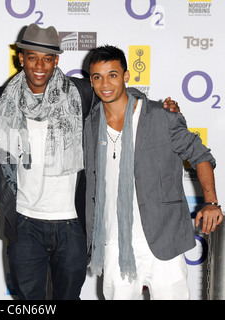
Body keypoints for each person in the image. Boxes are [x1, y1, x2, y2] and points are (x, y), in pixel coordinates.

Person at [0, 24, 179, 300]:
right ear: (21, 58)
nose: (39, 65)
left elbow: (118, 97)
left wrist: (161, 111)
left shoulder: (79, 93)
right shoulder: (1, 100)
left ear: (56, 61)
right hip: (25, 223)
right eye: (32, 57)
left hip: (73, 225)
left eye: (47, 58)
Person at [84, 45, 223, 300]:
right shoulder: (90, 126)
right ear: (90, 81)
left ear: (126, 76)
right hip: (115, 244)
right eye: (97, 77)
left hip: (164, 239)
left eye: (112, 75)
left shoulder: (160, 116)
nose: (105, 83)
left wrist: (211, 201)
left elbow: (200, 155)